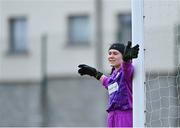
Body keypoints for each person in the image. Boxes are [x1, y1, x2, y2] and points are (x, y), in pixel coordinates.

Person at [78, 41, 139, 127]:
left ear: (123, 56)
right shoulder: (114, 74)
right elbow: (108, 83)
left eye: (115, 53)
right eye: (110, 53)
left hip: (124, 115)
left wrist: (126, 61)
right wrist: (94, 73)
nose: (111, 56)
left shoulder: (125, 70)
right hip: (112, 116)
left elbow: (127, 69)